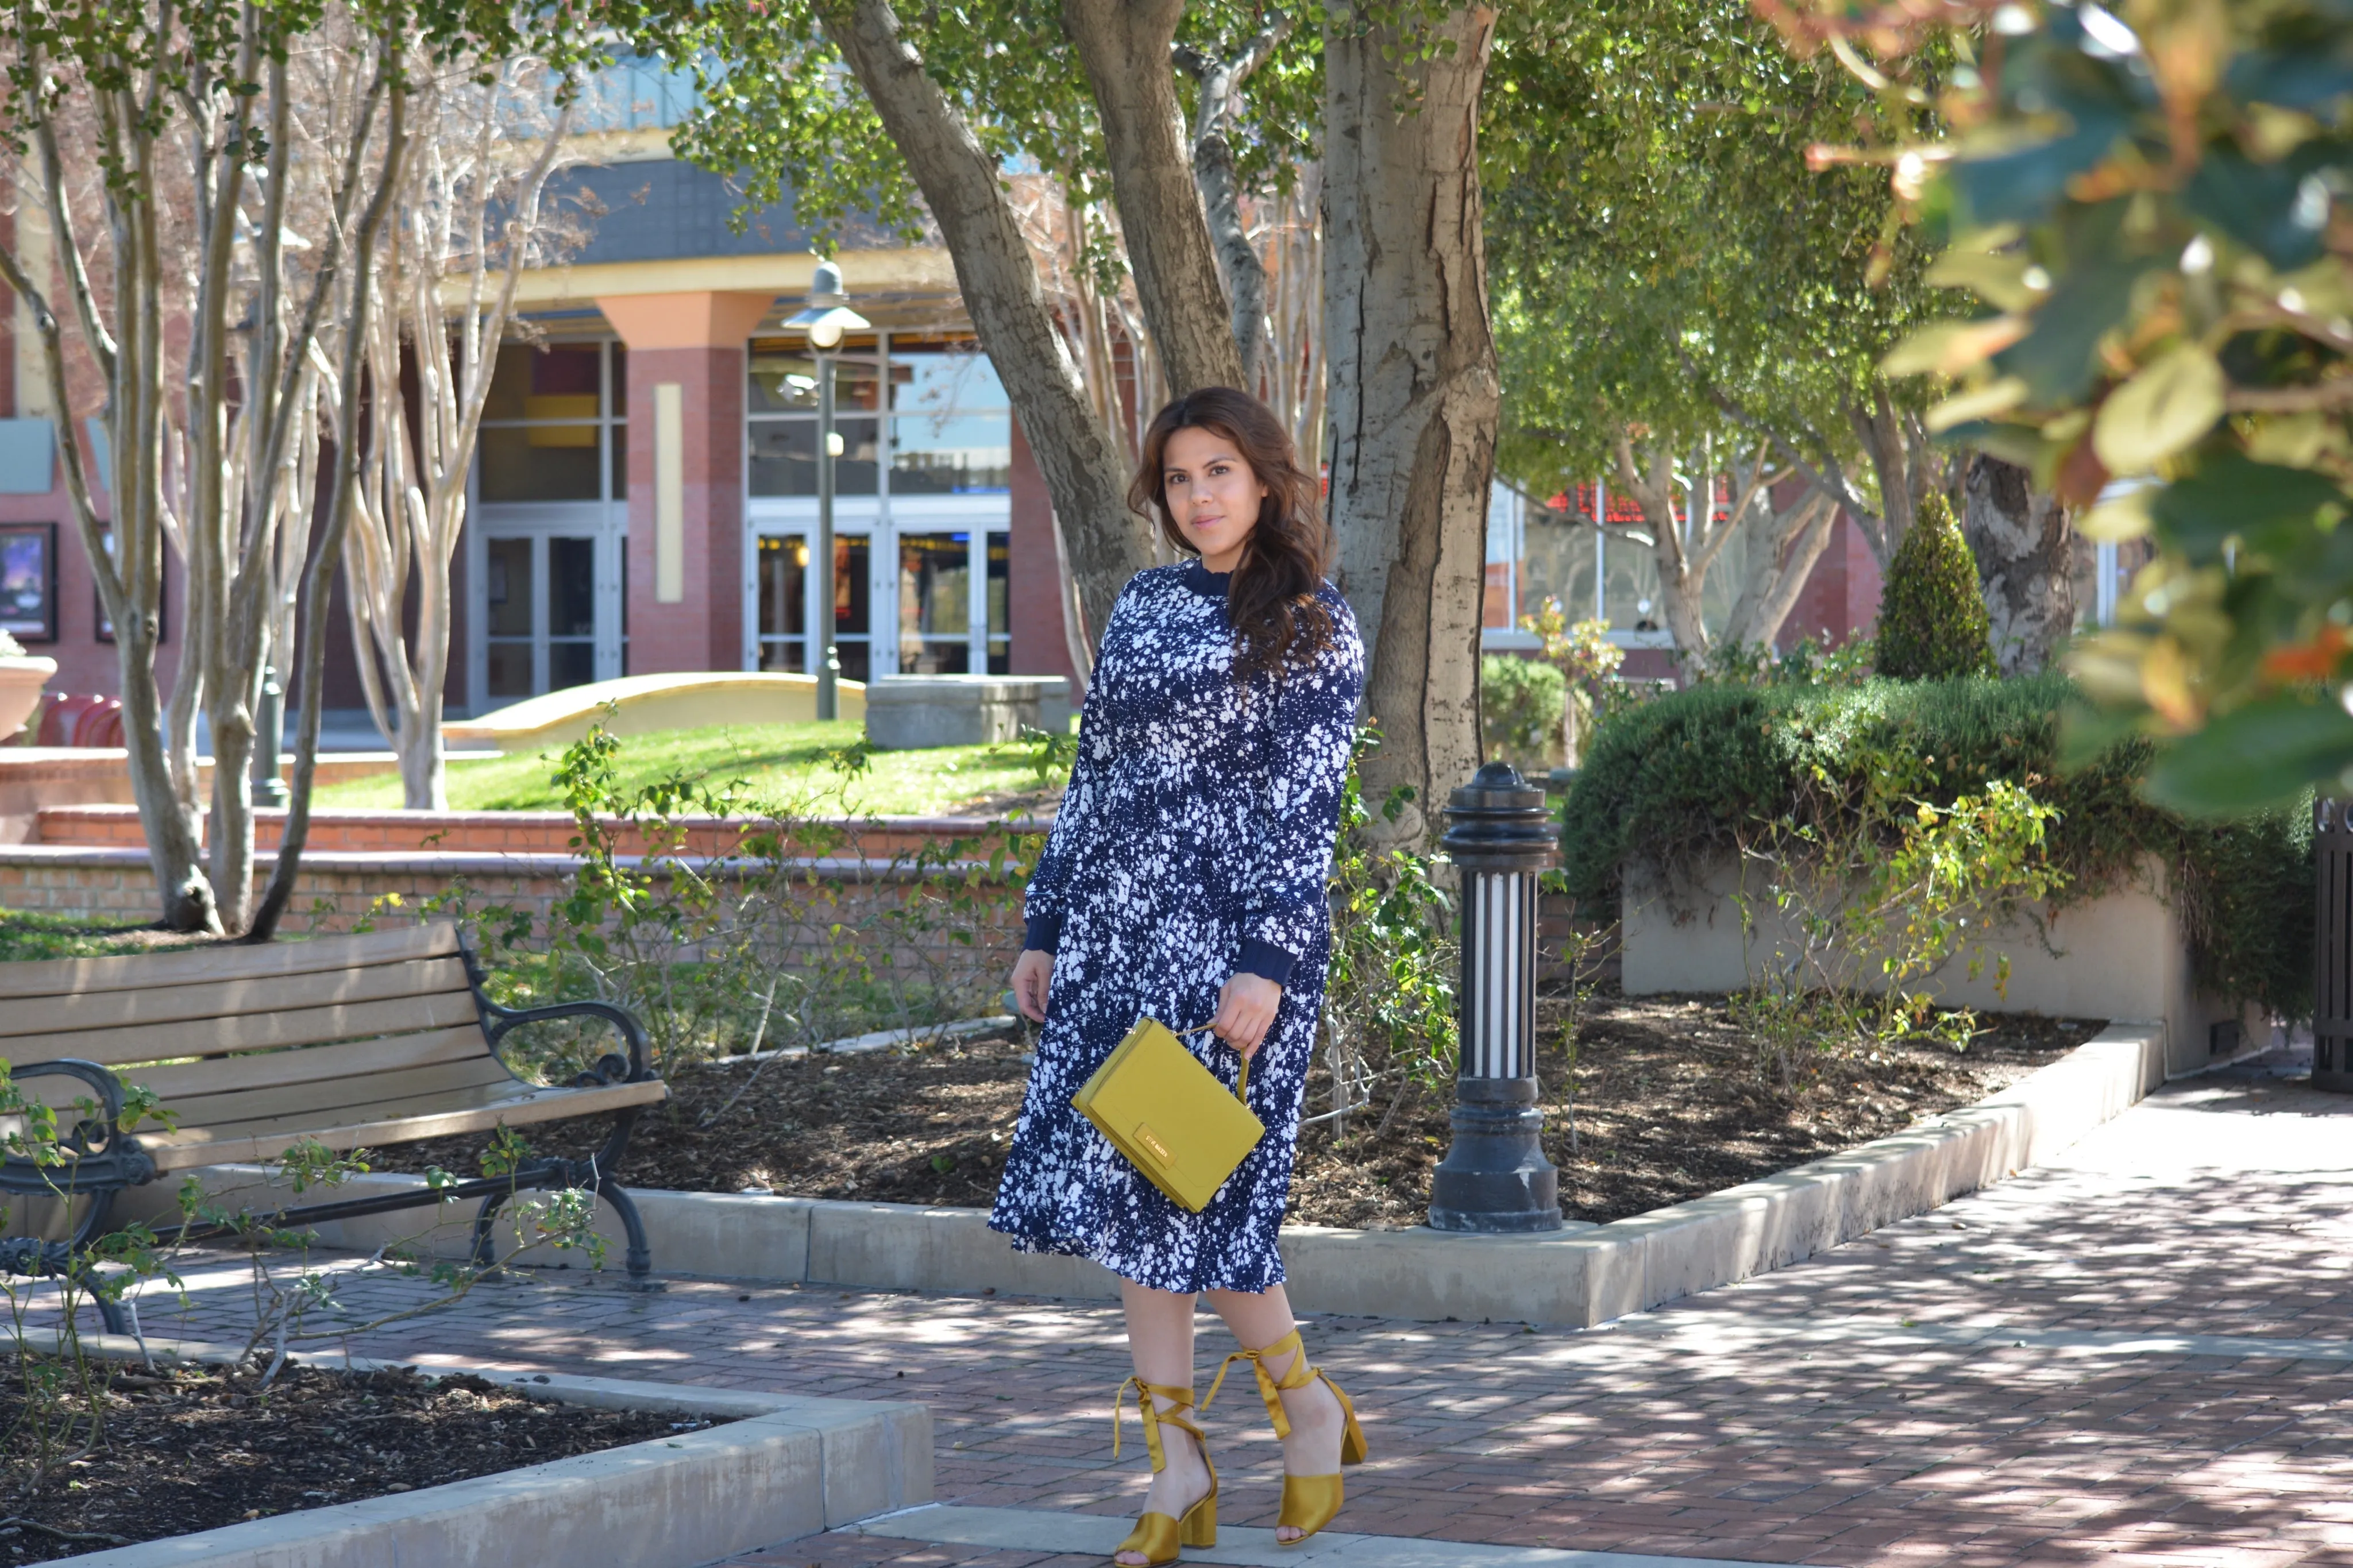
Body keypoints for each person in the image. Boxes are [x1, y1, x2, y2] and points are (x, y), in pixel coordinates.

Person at [992, 387, 1369, 1566]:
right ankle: (1177, 1466)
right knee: (1128, 1210)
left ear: (1263, 478)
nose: (1198, 496)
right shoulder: (1146, 606)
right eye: (1177, 478)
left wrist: (1264, 962)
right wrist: (1043, 924)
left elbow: (1305, 817)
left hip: (1232, 960)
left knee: (1206, 1200)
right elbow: (1092, 776)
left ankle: (1304, 1406)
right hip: (1112, 946)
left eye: (1217, 471)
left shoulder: (1313, 623)